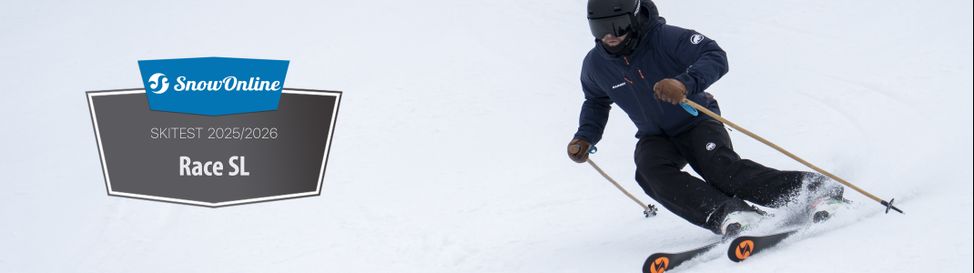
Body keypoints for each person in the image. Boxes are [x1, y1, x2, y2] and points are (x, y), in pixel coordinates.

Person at [567, 0, 845, 235]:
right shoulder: (595, 65)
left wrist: (684, 83)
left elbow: (714, 54)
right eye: (599, 28)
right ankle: (729, 214)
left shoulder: (663, 39)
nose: (609, 36)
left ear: (635, 17)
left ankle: (815, 190)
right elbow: (595, 101)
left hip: (695, 119)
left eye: (617, 26)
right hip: (656, 135)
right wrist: (584, 136)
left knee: (721, 171)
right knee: (649, 171)